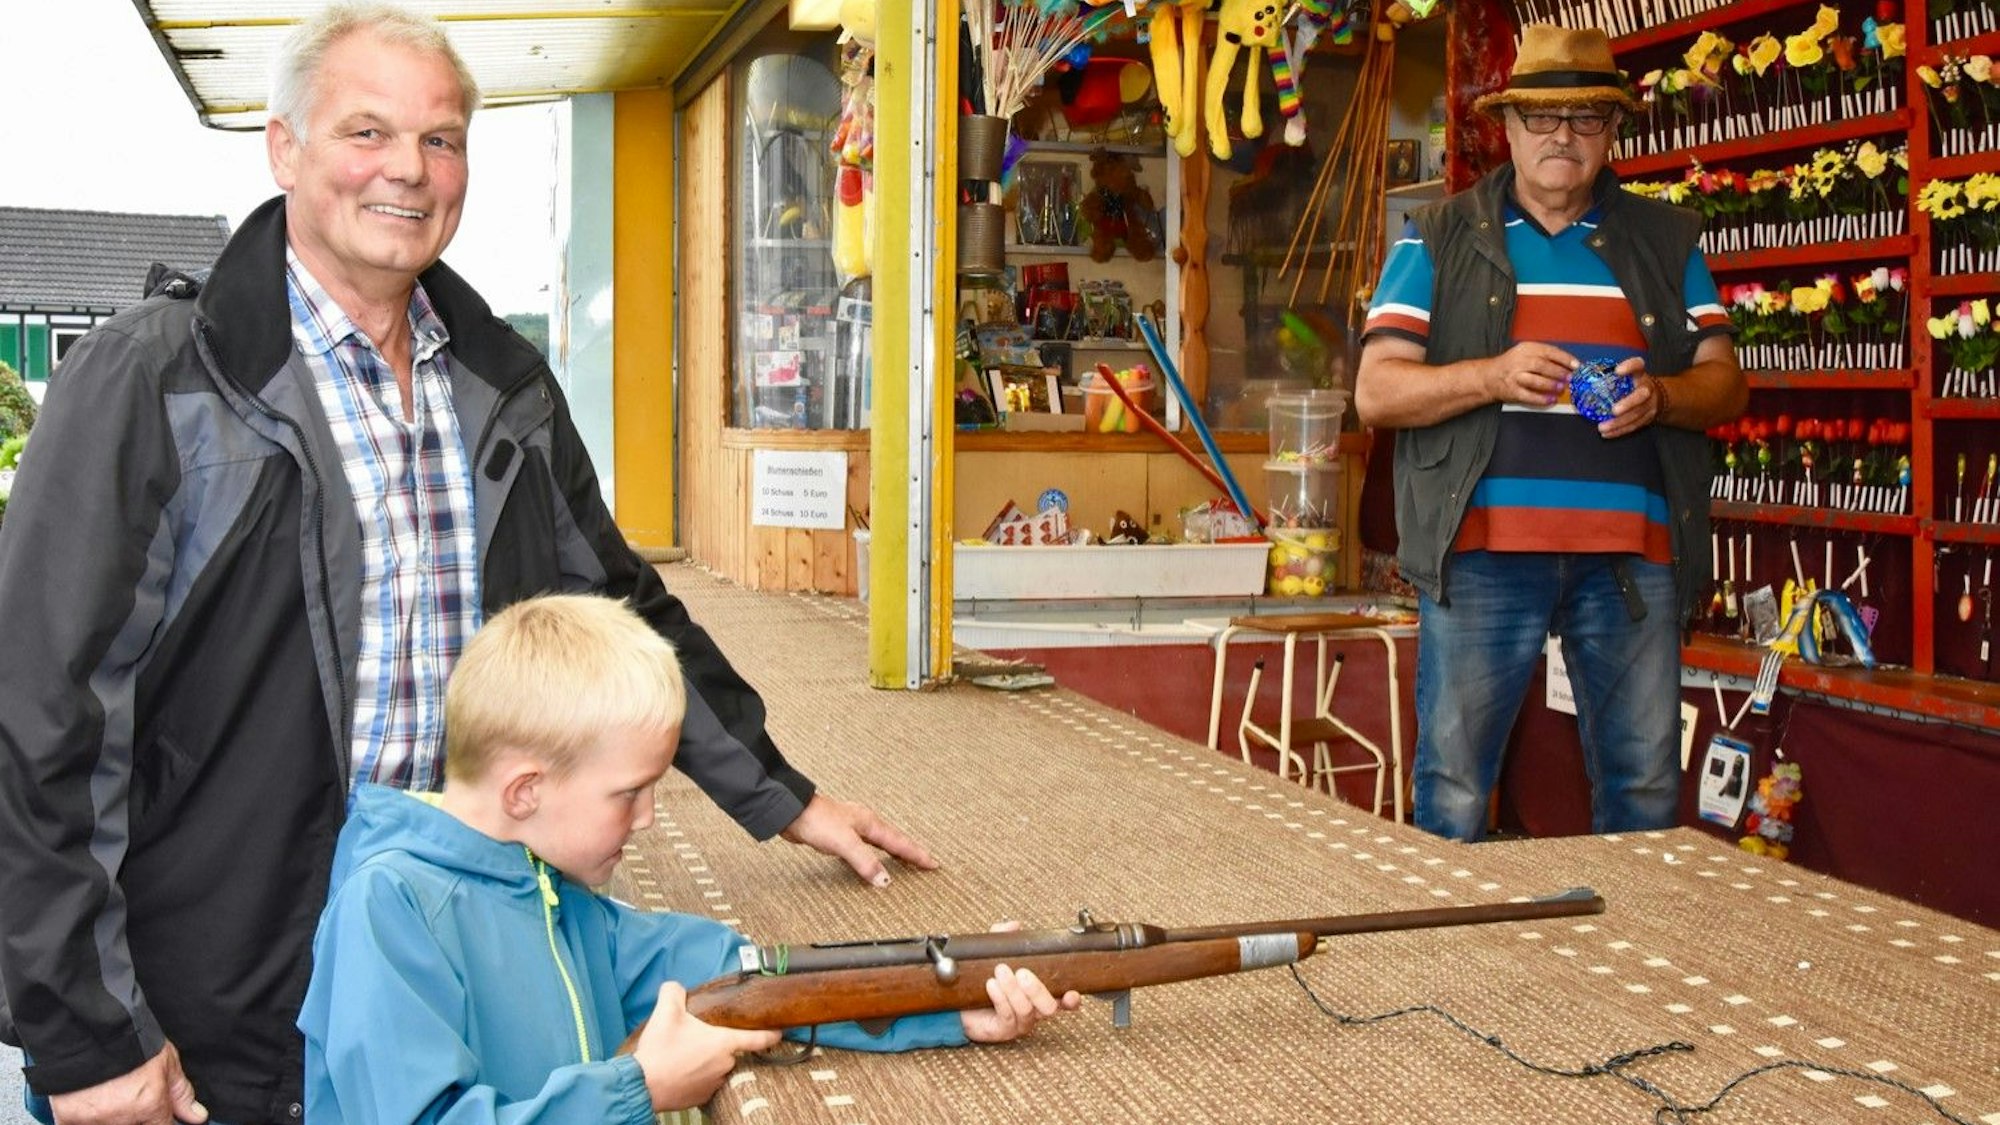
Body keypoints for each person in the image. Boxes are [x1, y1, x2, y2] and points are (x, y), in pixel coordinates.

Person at [0, 5, 935, 1123]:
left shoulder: (501, 386)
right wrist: (86, 1033)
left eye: (441, 140)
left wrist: (785, 799)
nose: (408, 169)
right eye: (367, 132)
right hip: (215, 998)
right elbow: (40, 721)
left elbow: (622, 612)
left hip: (452, 950)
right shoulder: (157, 381)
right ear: (284, 147)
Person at [300, 595, 1079, 1123]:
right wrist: (634, 1091)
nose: (645, 818)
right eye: (629, 792)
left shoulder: (557, 894)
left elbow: (754, 978)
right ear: (526, 790)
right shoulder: (387, 910)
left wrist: (950, 991)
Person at [1354, 24, 1747, 842]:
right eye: (1542, 117)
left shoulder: (1667, 240)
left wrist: (1663, 397)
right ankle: (1445, 964)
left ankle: (1627, 962)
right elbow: (1376, 392)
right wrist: (1491, 377)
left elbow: (1726, 382)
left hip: (1629, 559)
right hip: (1484, 552)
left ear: (1611, 133)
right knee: (1456, 784)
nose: (1562, 136)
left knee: (1643, 785)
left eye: (1586, 118)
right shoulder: (1440, 236)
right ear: (1508, 128)